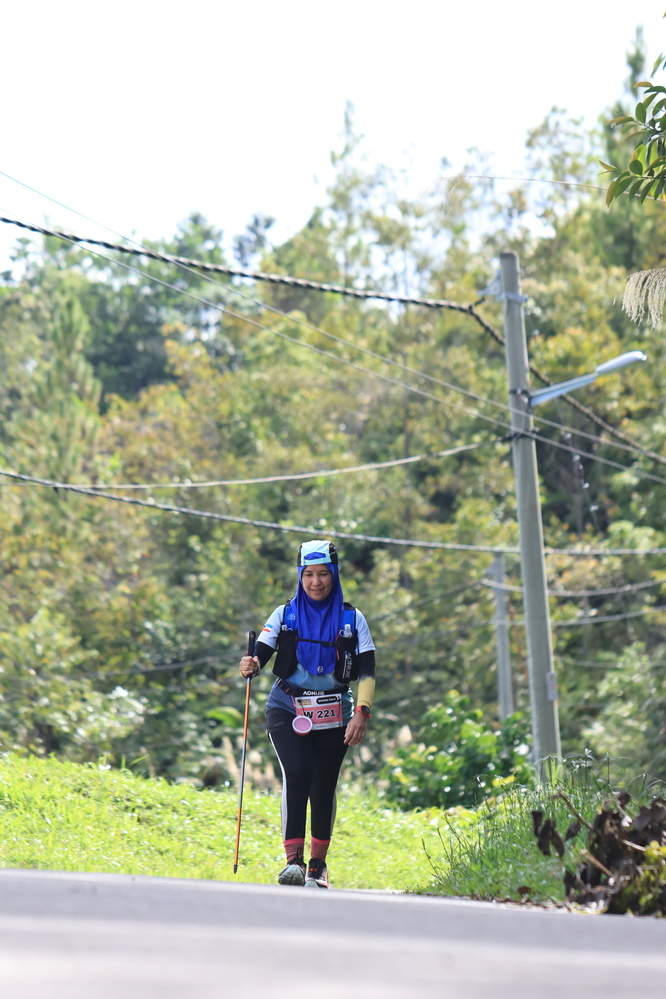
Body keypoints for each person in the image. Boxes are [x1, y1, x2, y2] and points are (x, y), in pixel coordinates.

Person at [239, 539, 376, 889]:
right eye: (308, 575)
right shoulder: (284, 614)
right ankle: (294, 862)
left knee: (323, 785)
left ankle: (317, 866)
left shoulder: (352, 619)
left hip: (336, 712)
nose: (316, 582)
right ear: (300, 576)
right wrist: (251, 664)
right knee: (298, 773)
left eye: (323, 574)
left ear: (335, 575)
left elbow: (367, 670)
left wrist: (361, 713)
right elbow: (261, 653)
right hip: (288, 706)